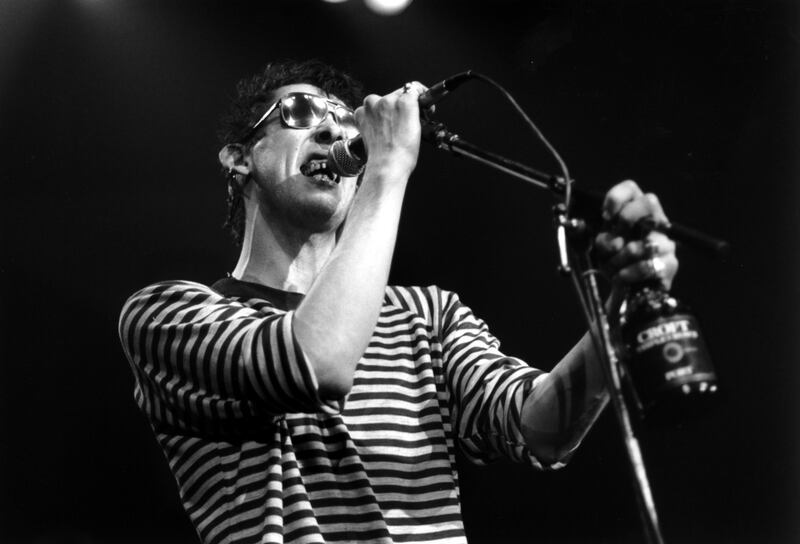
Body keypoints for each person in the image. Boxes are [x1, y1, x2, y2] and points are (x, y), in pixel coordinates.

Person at [118, 59, 678, 544]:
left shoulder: (426, 314)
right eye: (299, 114)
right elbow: (315, 364)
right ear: (239, 158)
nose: (329, 133)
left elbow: (542, 429)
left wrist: (620, 306)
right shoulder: (168, 315)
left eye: (342, 122)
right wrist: (388, 168)